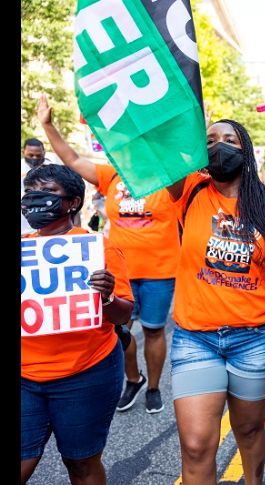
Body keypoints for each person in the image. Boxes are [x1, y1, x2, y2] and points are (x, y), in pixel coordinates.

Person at [165, 118, 265, 484]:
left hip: (255, 339)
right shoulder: (190, 189)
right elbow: (167, 152)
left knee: (249, 429)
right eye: (210, 140)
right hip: (196, 338)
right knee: (195, 445)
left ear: (246, 151)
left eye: (229, 139)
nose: (219, 146)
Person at [38, 95, 179, 414]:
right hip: (117, 271)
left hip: (159, 271)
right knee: (120, 328)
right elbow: (73, 160)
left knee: (154, 329)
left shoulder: (169, 178)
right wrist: (48, 126)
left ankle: (153, 387)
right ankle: (134, 379)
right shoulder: (111, 175)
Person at [21, 164, 134, 484]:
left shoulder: (98, 247)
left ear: (72, 202)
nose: (35, 198)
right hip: (25, 376)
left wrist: (107, 296)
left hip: (86, 373)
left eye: (47, 191)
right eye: (29, 192)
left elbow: (123, 315)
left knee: (81, 462)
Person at [21, 137, 62, 235]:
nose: (34, 158)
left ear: (44, 153)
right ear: (23, 152)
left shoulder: (53, 168)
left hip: (49, 223)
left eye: (38, 155)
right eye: (31, 155)